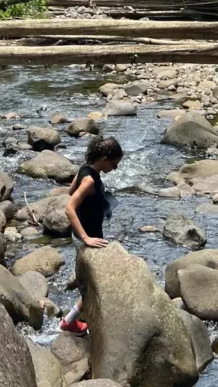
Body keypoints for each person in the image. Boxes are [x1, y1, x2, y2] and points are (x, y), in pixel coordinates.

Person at [61, 135, 123, 335]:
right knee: (92, 286)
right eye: (114, 165)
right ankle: (69, 322)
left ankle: (75, 319)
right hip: (88, 238)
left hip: (83, 235)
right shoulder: (89, 180)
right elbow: (69, 208)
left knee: (91, 282)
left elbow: (71, 191)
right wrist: (86, 238)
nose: (115, 169)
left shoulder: (84, 170)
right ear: (104, 159)